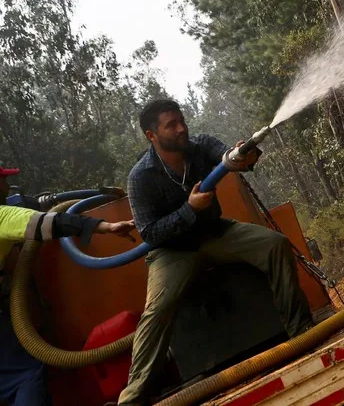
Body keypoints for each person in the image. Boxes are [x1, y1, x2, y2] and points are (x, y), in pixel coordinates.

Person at [118, 99, 313, 406]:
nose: (182, 128)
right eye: (172, 125)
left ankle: (302, 333)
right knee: (157, 310)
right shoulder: (140, 177)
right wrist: (189, 210)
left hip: (216, 233)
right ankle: (133, 397)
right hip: (173, 252)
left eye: (182, 121)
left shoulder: (200, 145)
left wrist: (244, 156)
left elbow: (227, 157)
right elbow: (150, 233)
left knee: (274, 245)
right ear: (151, 135)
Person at [0, 166, 135, 406]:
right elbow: (48, 223)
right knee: (25, 377)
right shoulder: (3, 216)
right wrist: (104, 226)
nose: (7, 187)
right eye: (3, 181)